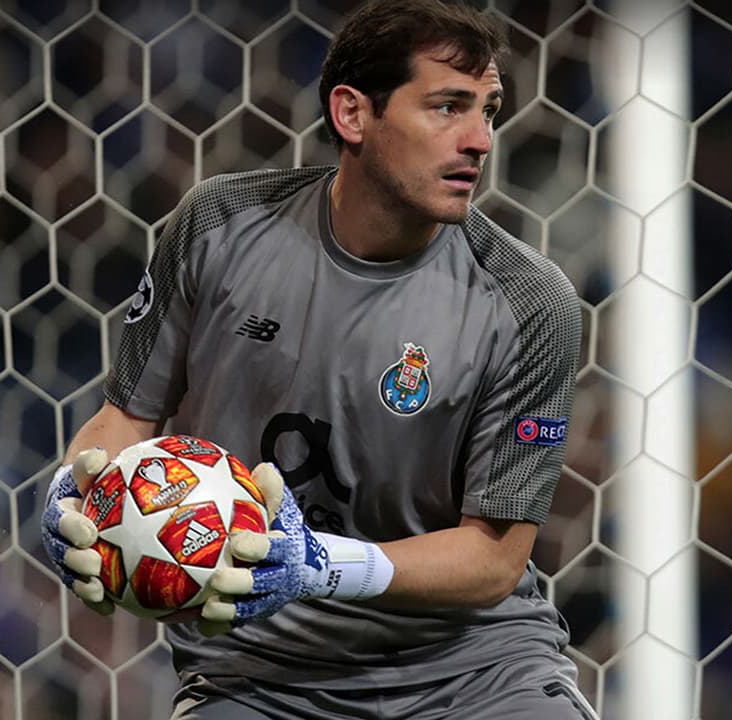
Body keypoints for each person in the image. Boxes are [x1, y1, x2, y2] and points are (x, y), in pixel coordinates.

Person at [39, 1, 595, 718]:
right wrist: (72, 495)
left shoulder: (529, 301)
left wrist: (322, 566)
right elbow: (124, 421)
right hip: (257, 676)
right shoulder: (217, 228)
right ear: (352, 113)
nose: (479, 139)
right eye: (447, 107)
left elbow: (493, 559)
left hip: (474, 675)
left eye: (487, 111)